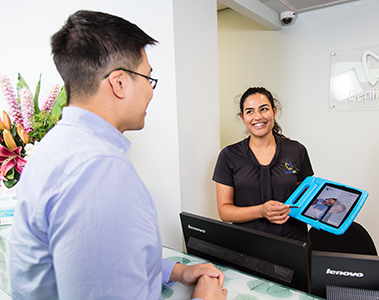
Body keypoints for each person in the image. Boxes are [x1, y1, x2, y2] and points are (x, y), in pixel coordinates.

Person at [9, 10, 227, 300]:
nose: (151, 91)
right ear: (119, 83)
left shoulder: (58, 145)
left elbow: (94, 266)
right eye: (149, 78)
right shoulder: (98, 170)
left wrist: (173, 271)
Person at [213, 87, 314, 242]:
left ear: (274, 111)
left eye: (264, 109)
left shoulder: (296, 150)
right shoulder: (229, 156)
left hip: (293, 243)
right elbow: (225, 211)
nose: (257, 117)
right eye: (250, 111)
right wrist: (261, 211)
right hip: (248, 245)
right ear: (242, 117)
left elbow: (304, 199)